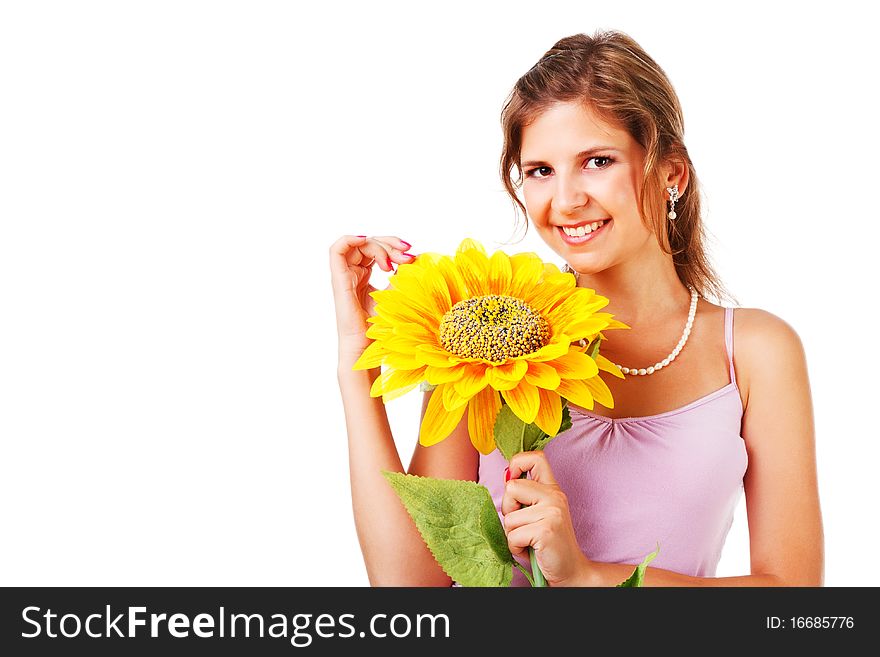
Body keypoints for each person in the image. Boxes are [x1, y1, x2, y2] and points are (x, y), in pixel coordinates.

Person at [330, 30, 823, 586]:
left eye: (597, 161)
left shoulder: (756, 352)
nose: (565, 201)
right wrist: (357, 360)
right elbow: (410, 588)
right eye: (540, 170)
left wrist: (587, 578)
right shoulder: (488, 338)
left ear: (671, 174)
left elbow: (794, 601)